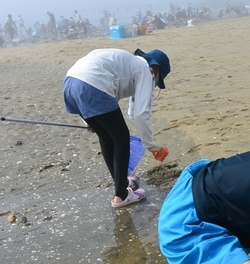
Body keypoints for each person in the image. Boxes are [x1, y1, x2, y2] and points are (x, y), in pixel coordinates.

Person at [63, 48, 171, 208]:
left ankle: (122, 183)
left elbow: (127, 107)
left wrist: (90, 122)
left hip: (70, 83)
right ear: (155, 69)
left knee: (106, 137)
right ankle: (121, 196)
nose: (154, 84)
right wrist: (150, 145)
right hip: (92, 85)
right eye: (157, 80)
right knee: (121, 138)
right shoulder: (145, 70)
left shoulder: (128, 63)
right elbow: (141, 113)